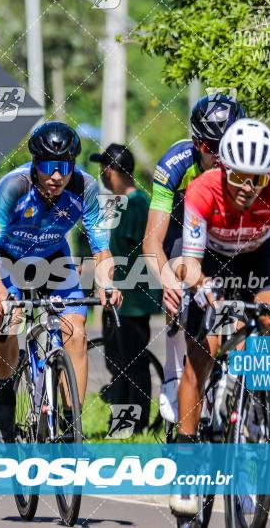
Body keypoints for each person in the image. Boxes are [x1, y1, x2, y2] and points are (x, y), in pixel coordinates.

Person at [168, 119, 270, 516]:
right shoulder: (201, 190)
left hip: (257, 258)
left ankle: (262, 402)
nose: (247, 187)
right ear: (223, 168)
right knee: (200, 358)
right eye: (240, 176)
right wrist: (202, 286)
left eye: (257, 179)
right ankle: (187, 464)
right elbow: (189, 262)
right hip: (208, 259)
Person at [142, 94, 270, 427]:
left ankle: (251, 404)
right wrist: (169, 282)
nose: (218, 157)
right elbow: (153, 241)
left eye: (224, 146)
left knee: (258, 313)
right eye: (208, 147)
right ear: (195, 142)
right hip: (183, 230)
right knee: (178, 296)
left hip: (235, 237)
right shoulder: (175, 164)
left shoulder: (249, 162)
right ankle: (175, 375)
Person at [0, 121, 123, 443]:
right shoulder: (13, 186)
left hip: (53, 258)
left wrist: (107, 284)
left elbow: (101, 249)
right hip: (8, 258)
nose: (56, 176)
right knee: (7, 319)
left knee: (76, 330)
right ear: (34, 164)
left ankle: (71, 428)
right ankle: (5, 400)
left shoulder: (84, 187)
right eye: (47, 166)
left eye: (64, 166)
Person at [89, 144, 160, 434]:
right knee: (117, 361)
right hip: (116, 297)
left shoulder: (137, 204)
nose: (101, 175)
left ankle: (135, 423)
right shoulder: (121, 203)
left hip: (132, 299)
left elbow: (136, 253)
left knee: (133, 363)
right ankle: (121, 420)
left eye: (102, 168)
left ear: (110, 170)